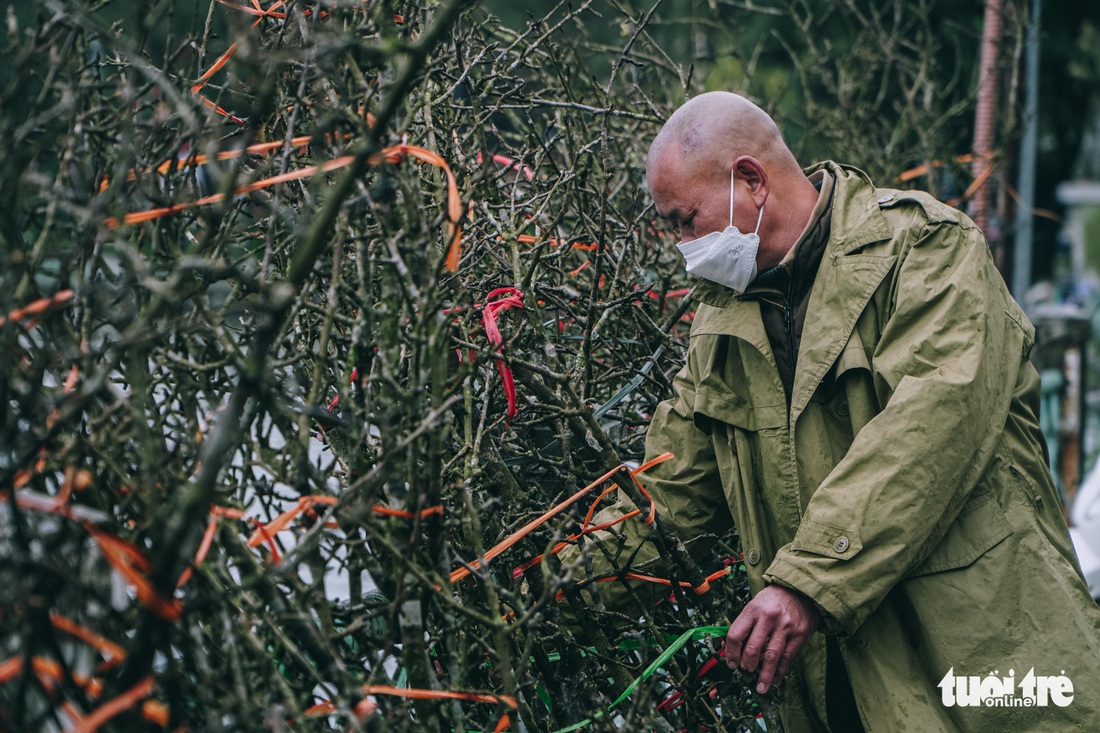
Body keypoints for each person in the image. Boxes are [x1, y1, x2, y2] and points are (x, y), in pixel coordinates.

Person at [579, 91, 1100, 732]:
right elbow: (671, 485)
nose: (680, 244)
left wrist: (804, 582)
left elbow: (930, 427)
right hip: (841, 688)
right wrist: (546, 583)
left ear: (751, 180)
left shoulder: (927, 250)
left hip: (989, 659)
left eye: (685, 219)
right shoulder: (722, 323)